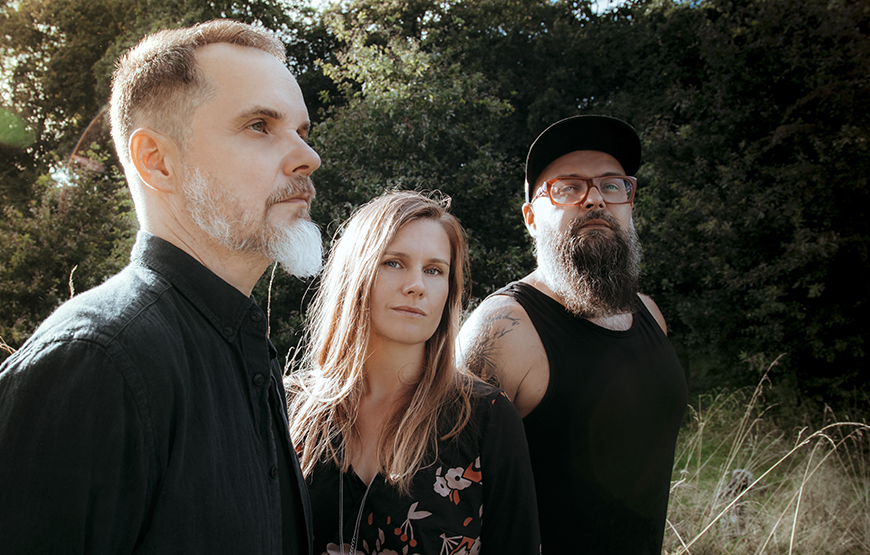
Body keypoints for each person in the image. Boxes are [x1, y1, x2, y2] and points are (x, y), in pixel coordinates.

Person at [0, 20, 322, 554]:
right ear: (157, 161)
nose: (308, 157)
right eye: (260, 125)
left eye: (302, 132)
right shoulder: (97, 363)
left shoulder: (243, 350)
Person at [458, 115, 689, 554]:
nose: (595, 199)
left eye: (612, 185)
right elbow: (448, 494)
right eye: (568, 188)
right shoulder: (503, 331)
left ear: (628, 203)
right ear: (531, 218)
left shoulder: (649, 313)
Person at [287, 191, 541, 555]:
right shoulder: (288, 406)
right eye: (394, 263)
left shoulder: (485, 418)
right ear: (355, 272)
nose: (417, 286)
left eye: (434, 270)